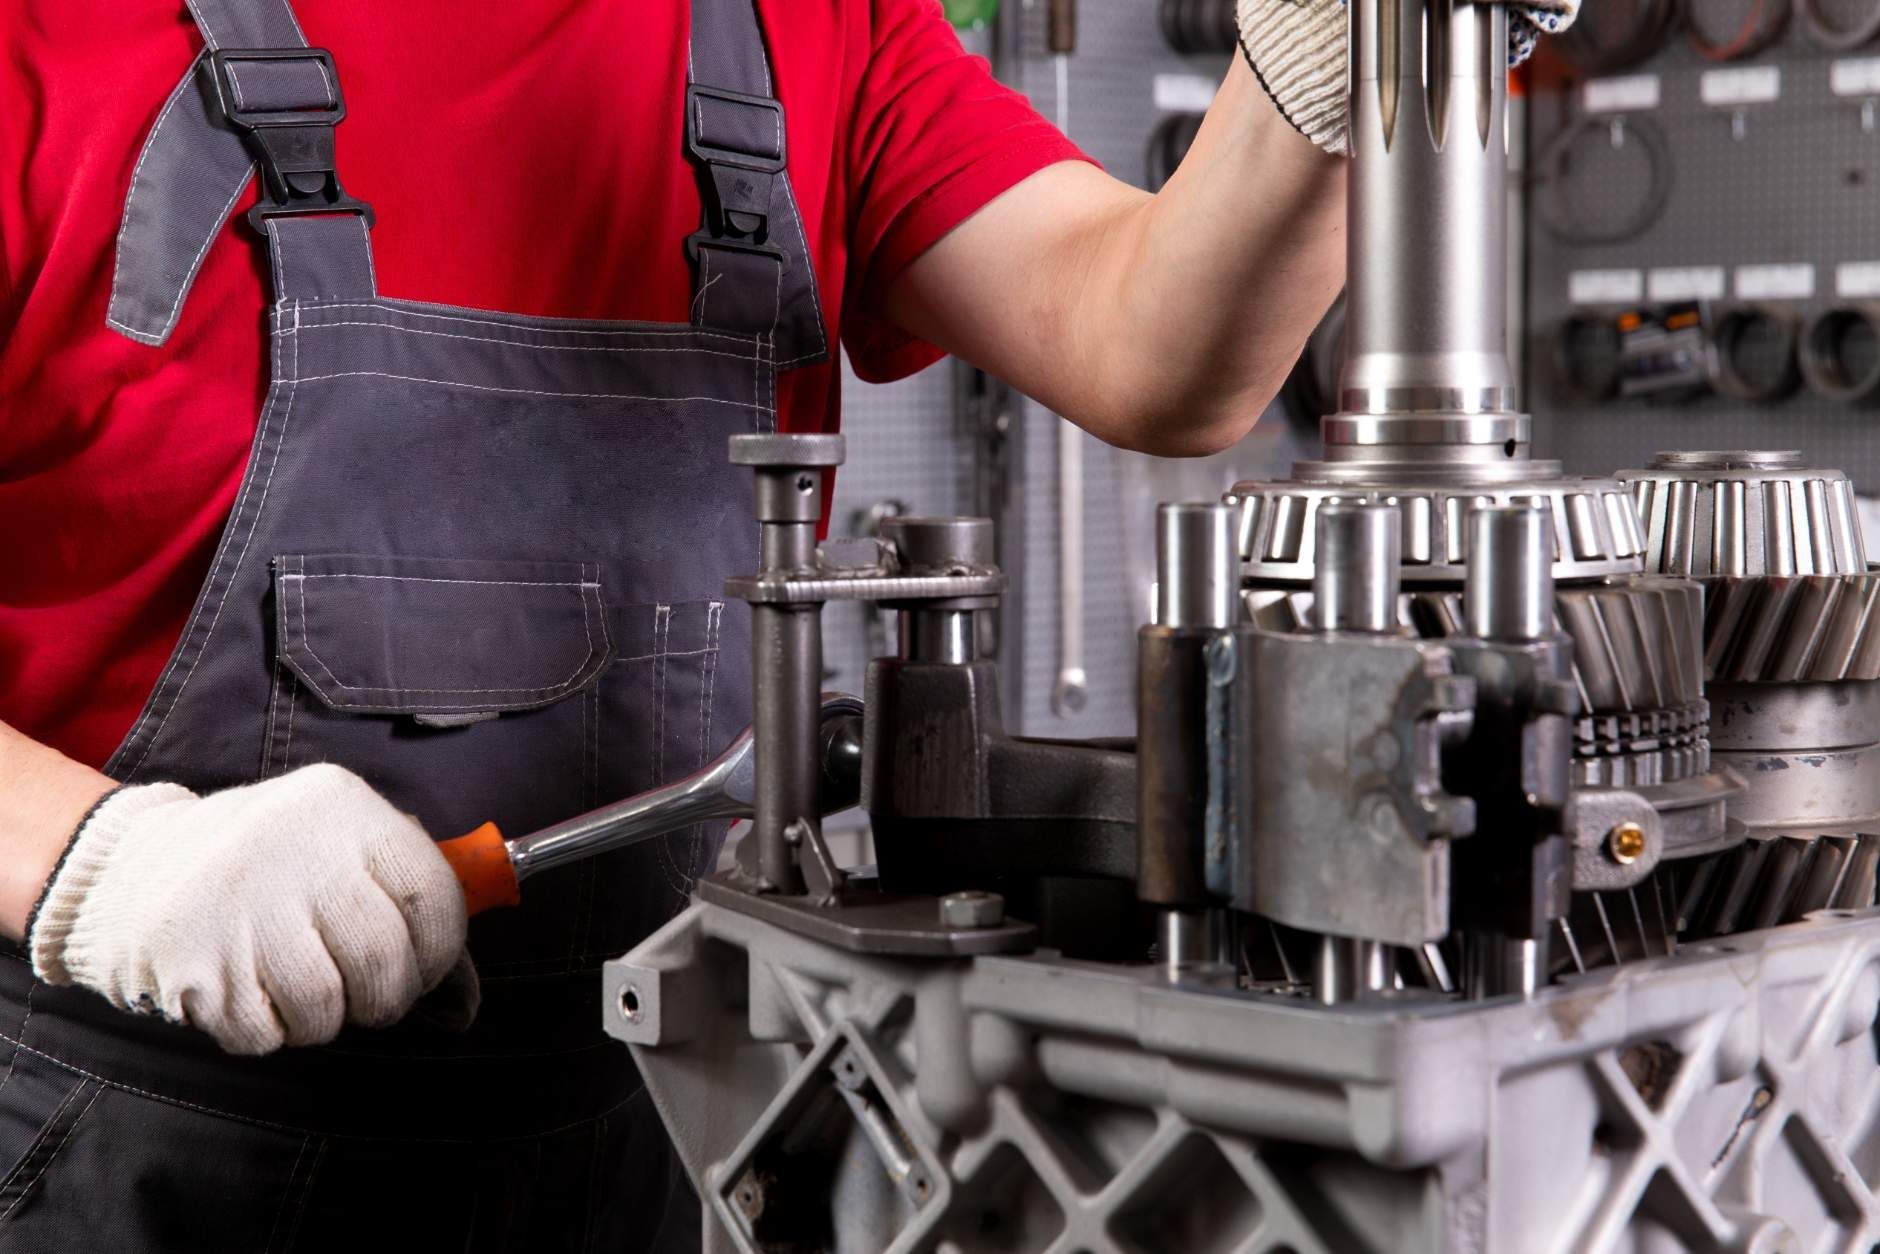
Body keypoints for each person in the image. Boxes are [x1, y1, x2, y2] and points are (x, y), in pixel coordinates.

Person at [0, 0, 1572, 1247]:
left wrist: (1320, 66)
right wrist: (103, 862)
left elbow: (1155, 343)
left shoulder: (806, 22)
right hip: (129, 1138)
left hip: (668, 1124)